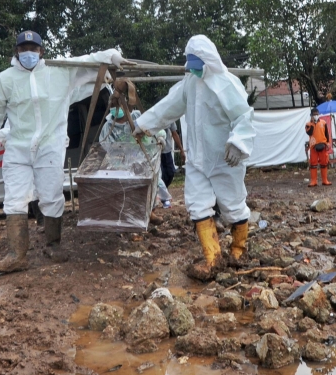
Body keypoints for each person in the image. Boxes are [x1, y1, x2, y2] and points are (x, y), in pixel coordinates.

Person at [0, 29, 130, 274]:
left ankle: (53, 245)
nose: (28, 53)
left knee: (51, 196)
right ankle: (17, 255)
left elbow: (87, 60)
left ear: (41, 51)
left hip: (50, 145)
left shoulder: (58, 71)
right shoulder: (5, 79)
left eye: (33, 49)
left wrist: (110, 55)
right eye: (23, 49)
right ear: (16, 52)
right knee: (15, 198)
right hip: (18, 148)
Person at [134, 35, 255, 275]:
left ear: (208, 60)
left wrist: (238, 143)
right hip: (198, 160)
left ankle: (239, 251)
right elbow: (168, 107)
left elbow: (244, 116)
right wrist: (143, 124)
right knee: (198, 205)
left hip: (225, 159)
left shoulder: (227, 84)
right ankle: (213, 259)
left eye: (196, 63)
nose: (193, 69)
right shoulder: (190, 84)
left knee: (232, 206)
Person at [99, 89, 168, 222]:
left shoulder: (137, 117)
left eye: (117, 105)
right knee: (129, 190)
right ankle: (131, 217)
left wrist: (160, 137)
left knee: (153, 185)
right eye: (113, 106)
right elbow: (104, 146)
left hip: (145, 158)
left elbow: (155, 126)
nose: (115, 108)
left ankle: (150, 213)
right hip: (122, 164)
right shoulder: (108, 127)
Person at [305, 108, 331, 187]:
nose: (316, 115)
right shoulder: (308, 124)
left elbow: (327, 133)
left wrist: (328, 143)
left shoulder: (323, 122)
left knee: (324, 163)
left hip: (323, 144)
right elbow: (309, 133)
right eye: (314, 114)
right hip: (313, 146)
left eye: (317, 114)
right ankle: (313, 181)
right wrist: (313, 123)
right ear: (311, 115)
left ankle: (325, 180)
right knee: (313, 163)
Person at [160, 122, 185, 190]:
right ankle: (162, 193)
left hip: (167, 151)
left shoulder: (170, 118)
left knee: (170, 173)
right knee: (161, 175)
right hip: (157, 152)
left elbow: (175, 134)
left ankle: (164, 189)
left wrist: (181, 150)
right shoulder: (154, 116)